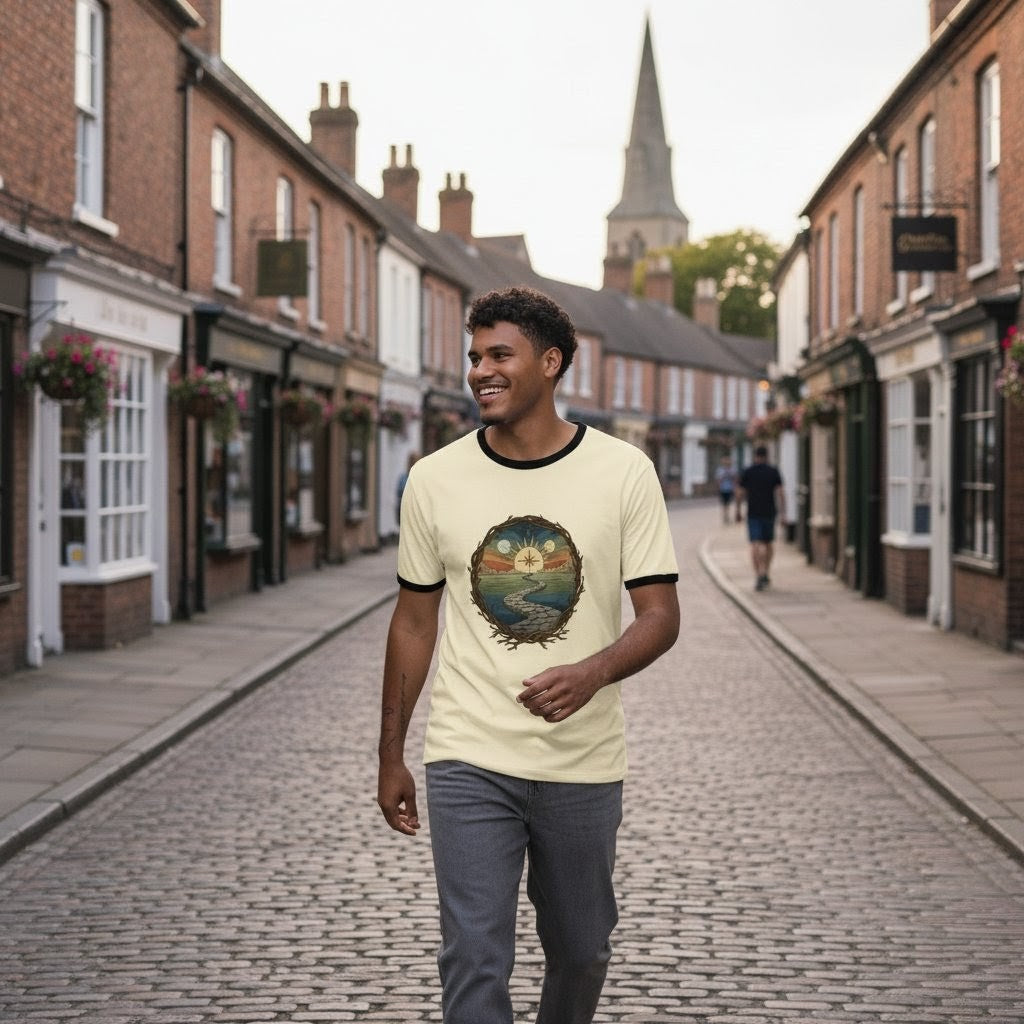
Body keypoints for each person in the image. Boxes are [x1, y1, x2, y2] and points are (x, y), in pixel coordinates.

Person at [376, 285, 680, 1024]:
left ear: (550, 363)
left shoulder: (623, 472)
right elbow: (414, 623)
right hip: (468, 755)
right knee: (474, 958)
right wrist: (391, 754)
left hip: (581, 761)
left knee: (582, 951)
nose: (480, 369)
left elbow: (661, 616)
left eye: (499, 354)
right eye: (474, 356)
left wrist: (592, 672)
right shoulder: (435, 479)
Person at [736, 445, 785, 591]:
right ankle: (766, 571)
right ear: (767, 456)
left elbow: (740, 492)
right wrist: (784, 514)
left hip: (753, 513)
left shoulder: (748, 472)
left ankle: (758, 574)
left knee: (755, 544)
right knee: (768, 544)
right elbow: (781, 493)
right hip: (769, 512)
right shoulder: (773, 471)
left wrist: (738, 511)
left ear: (755, 456)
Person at [714, 454, 737, 524]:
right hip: (723, 489)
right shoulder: (720, 470)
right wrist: (718, 488)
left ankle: (727, 516)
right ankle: (725, 516)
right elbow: (718, 480)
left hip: (730, 488)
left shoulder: (732, 469)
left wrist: (734, 486)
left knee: (728, 503)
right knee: (724, 503)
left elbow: (735, 479)